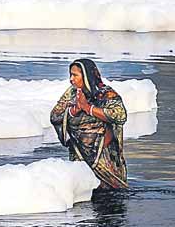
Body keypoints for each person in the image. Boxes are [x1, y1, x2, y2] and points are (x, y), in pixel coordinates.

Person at [50, 58, 128, 189]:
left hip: (102, 153)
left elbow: (120, 115)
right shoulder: (72, 93)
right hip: (79, 152)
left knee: (111, 191)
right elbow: (55, 116)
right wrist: (73, 111)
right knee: (84, 189)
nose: (71, 79)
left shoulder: (106, 93)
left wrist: (88, 108)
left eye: (75, 75)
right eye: (70, 75)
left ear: (86, 76)